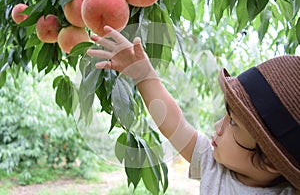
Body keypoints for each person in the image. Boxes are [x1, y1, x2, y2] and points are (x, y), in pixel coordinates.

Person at [87, 25, 300, 194]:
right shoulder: (213, 166)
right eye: (226, 116)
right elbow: (174, 124)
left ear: (270, 160)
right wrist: (143, 74)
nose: (218, 126)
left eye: (233, 122)